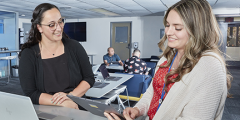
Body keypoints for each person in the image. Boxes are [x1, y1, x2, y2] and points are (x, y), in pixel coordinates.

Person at [104, 0, 231, 119]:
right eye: (168, 25)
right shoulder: (167, 57)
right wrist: (138, 109)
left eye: (177, 27)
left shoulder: (210, 66)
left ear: (197, 30)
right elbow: (152, 93)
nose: (168, 32)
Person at [18, 3, 95, 110]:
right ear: (39, 27)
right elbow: (31, 93)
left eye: (60, 22)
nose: (58, 28)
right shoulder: (29, 54)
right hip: (47, 112)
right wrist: (62, 103)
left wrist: (71, 96)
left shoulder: (74, 46)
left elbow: (89, 78)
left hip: (77, 107)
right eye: (51, 25)